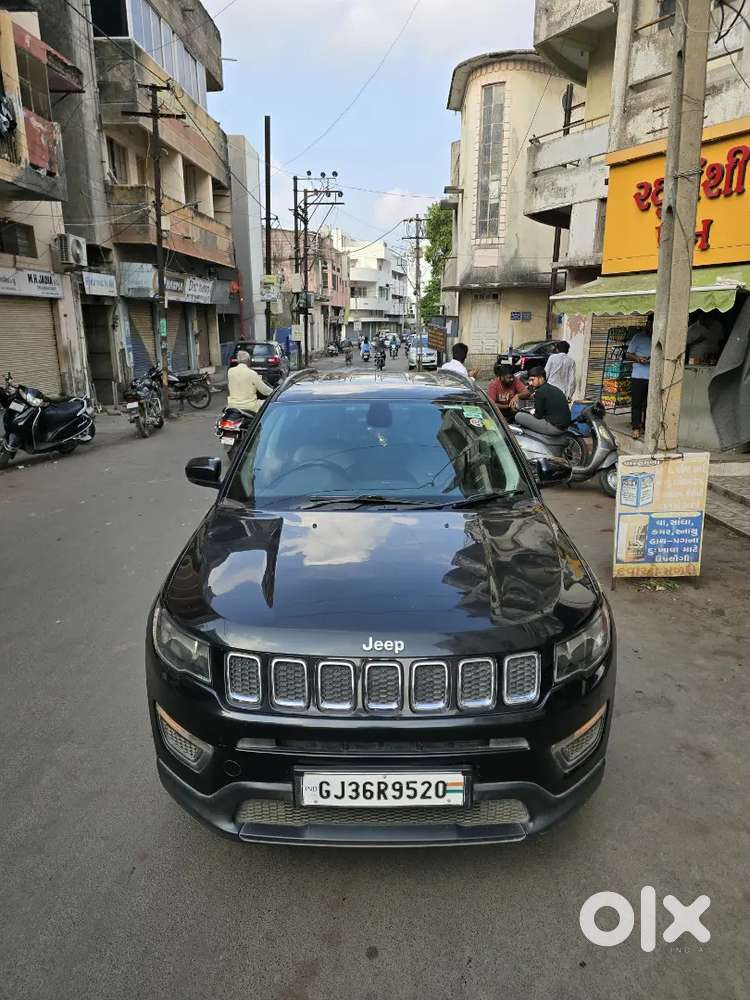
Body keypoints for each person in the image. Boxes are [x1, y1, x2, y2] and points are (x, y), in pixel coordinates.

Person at [515, 366, 571, 434]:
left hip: (555, 428)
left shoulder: (540, 392)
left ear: (541, 378)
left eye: (532, 380)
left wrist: (530, 412)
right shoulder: (553, 388)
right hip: (565, 426)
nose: (530, 383)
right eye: (529, 380)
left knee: (518, 416)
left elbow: (538, 416)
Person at [626, 317, 653, 439]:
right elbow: (628, 354)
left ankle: (648, 428)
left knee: (650, 404)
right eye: (650, 323)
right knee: (637, 403)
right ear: (647, 323)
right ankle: (636, 428)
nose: (651, 326)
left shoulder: (659, 337)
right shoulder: (638, 337)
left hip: (653, 377)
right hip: (638, 376)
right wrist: (638, 359)